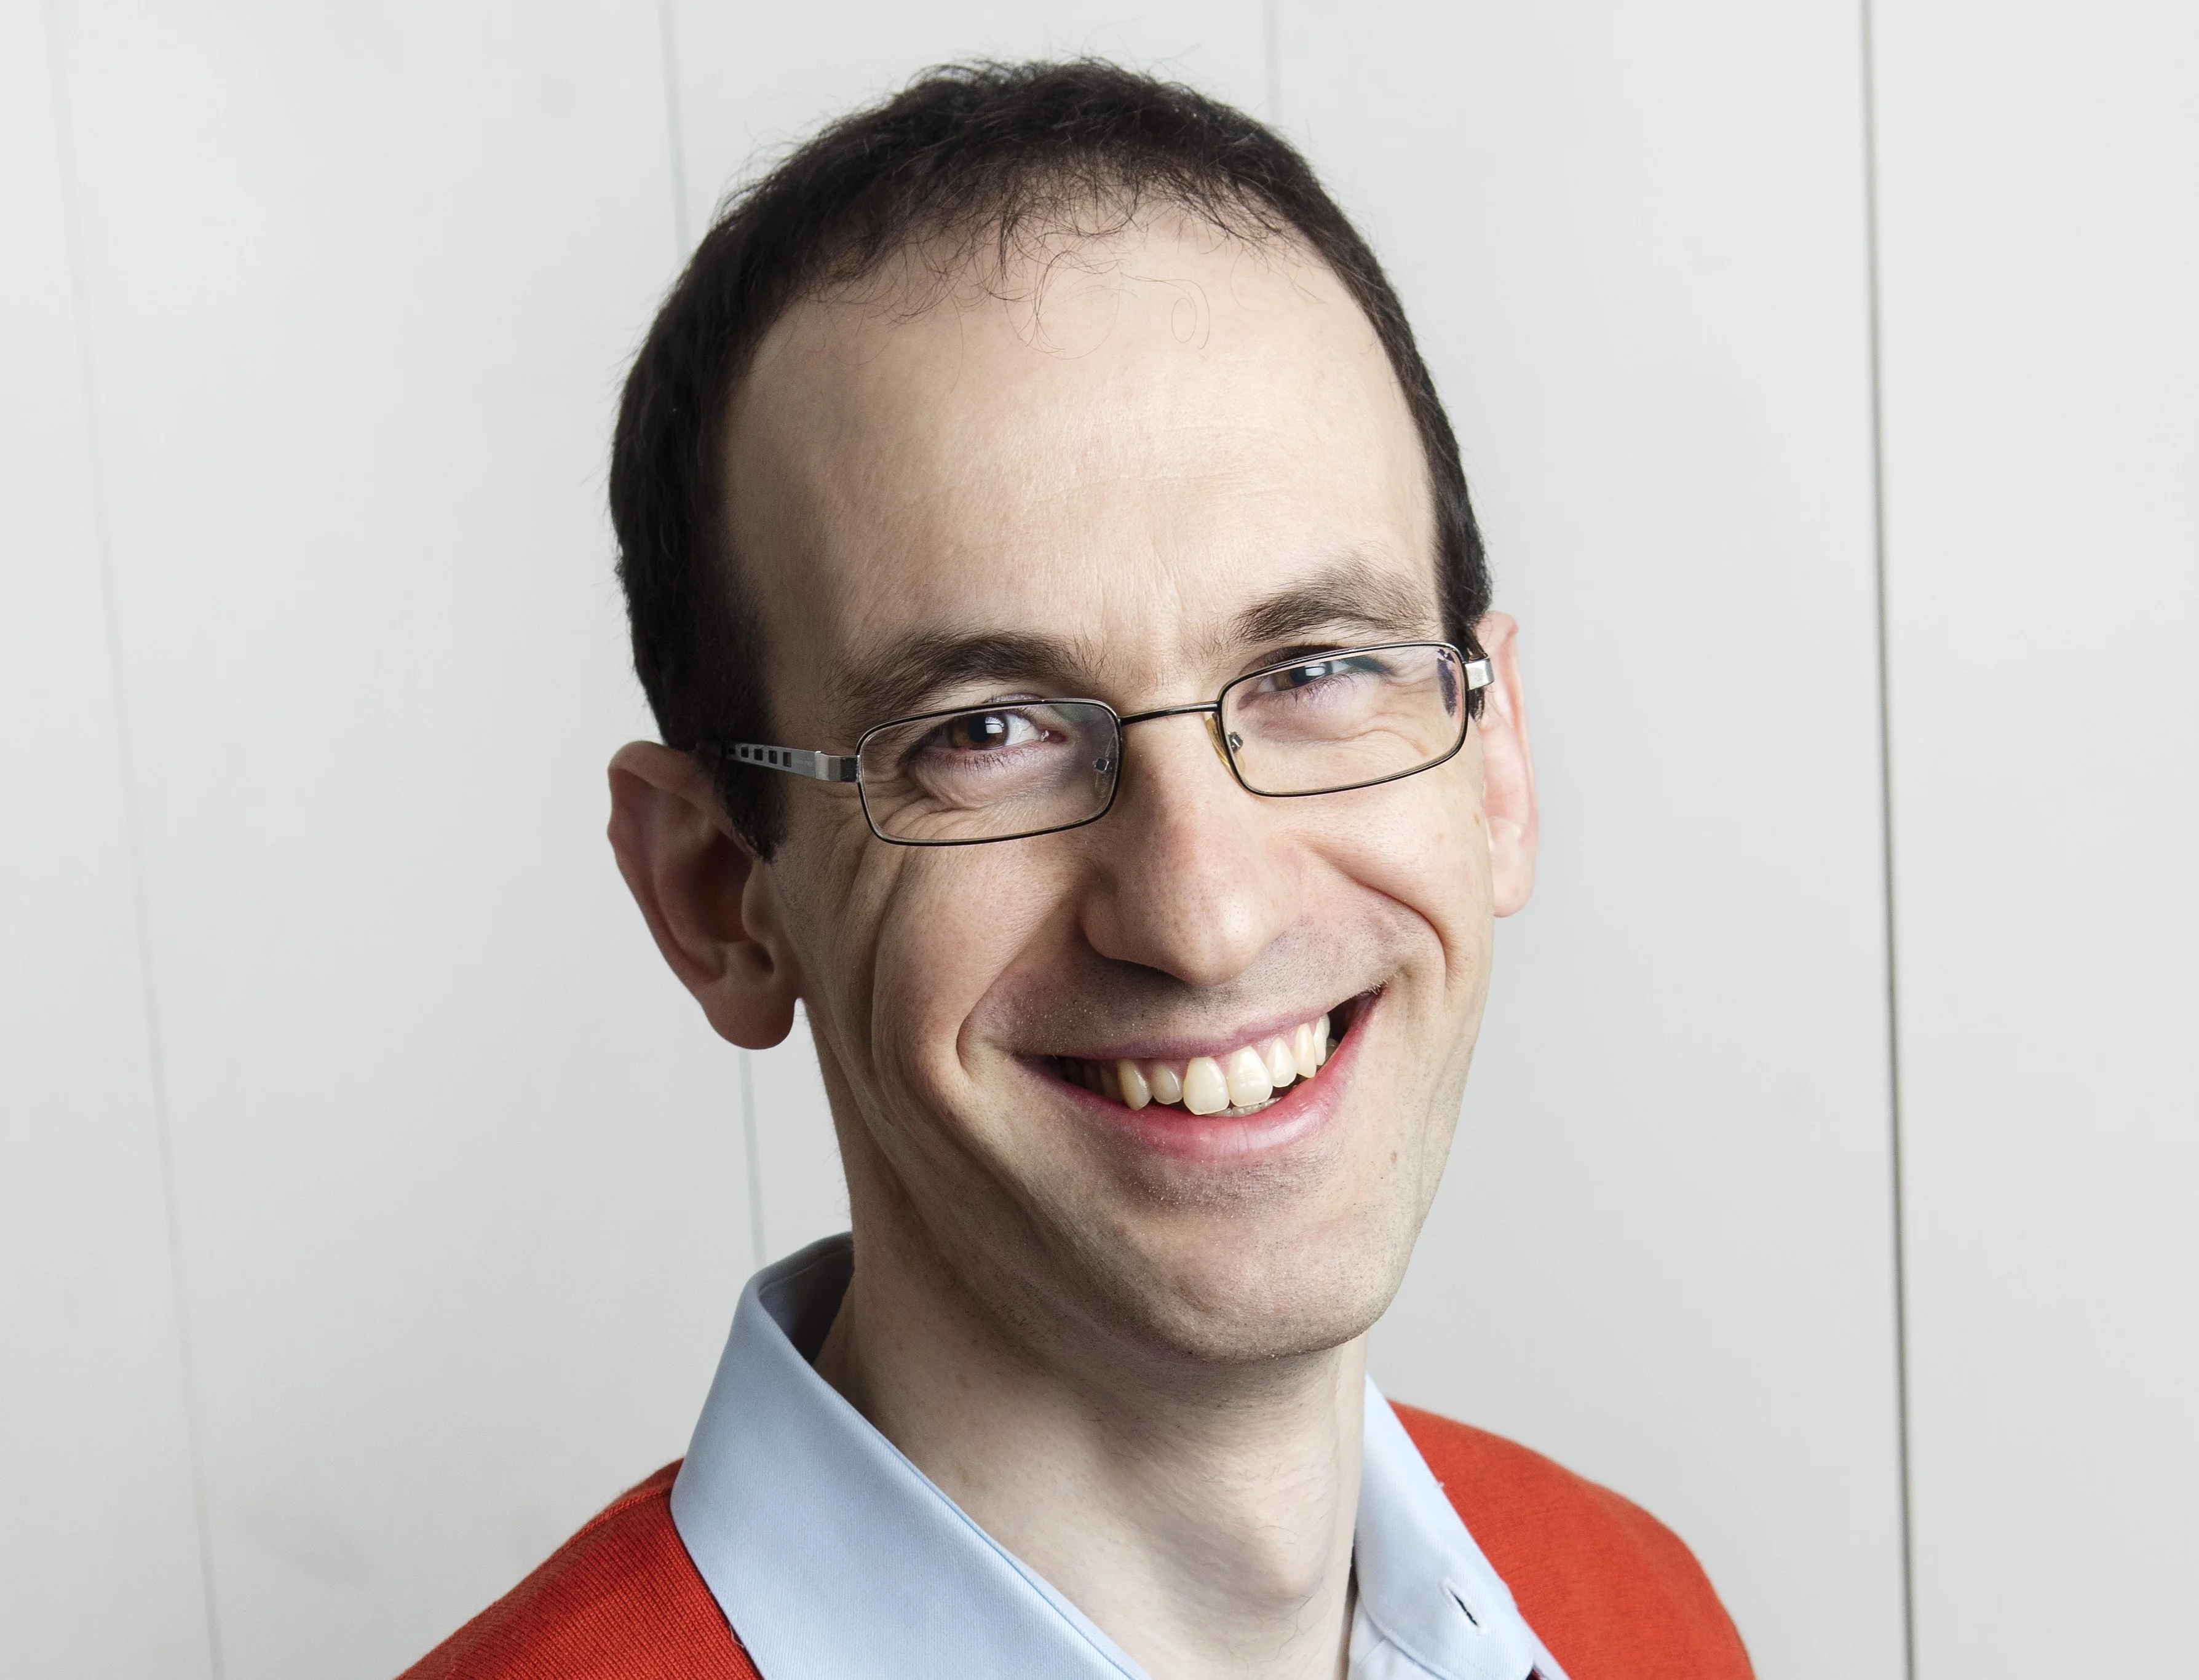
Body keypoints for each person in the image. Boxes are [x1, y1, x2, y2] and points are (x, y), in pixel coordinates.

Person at [401, 60, 1753, 1680]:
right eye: (986, 732)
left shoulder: (1642, 1611)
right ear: (714, 897)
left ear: (1498, 761)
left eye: (1318, 668)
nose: (1206, 913)